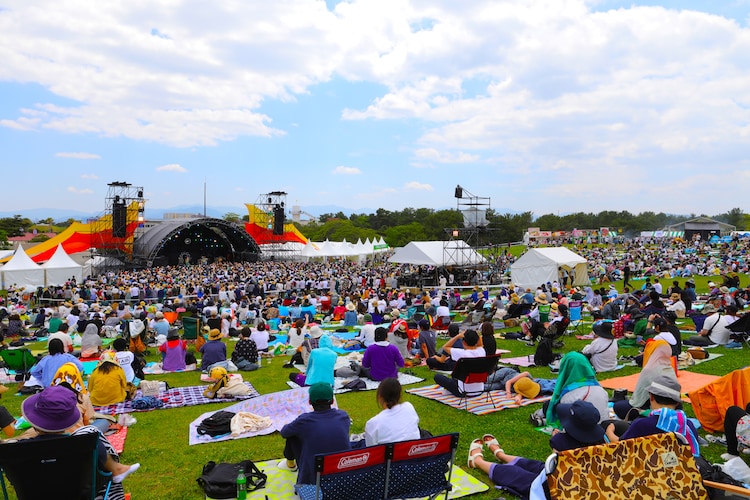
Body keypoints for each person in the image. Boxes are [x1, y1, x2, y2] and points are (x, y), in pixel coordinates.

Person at [468, 400, 606, 499]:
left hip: (560, 490)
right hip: (588, 484)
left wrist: (557, 438)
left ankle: (478, 462)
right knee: (535, 465)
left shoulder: (560, 441)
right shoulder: (603, 443)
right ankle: (502, 456)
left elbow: (555, 473)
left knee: (516, 475)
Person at [21, 385, 140, 498]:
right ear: (68, 420)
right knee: (90, 430)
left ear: (34, 422)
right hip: (80, 494)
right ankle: (117, 469)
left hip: (36, 495)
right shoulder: (84, 444)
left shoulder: (18, 451)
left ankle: (117, 469)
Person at [606, 374, 700, 457]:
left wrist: (609, 431)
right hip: (680, 470)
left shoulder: (642, 425)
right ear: (676, 402)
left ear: (651, 397)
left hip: (647, 470)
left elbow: (621, 444)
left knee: (612, 425)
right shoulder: (688, 426)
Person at [278, 383, 351, 486]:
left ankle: (290, 463)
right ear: (332, 400)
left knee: (293, 436)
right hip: (342, 473)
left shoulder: (304, 421)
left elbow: (284, 433)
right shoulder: (343, 416)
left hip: (313, 479)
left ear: (309, 401)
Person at [613, 340, 678, 420]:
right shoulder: (670, 368)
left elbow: (638, 399)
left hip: (652, 407)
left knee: (619, 406)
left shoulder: (649, 370)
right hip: (672, 408)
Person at [545, 352, 609, 426]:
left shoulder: (569, 395)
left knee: (550, 406)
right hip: (603, 428)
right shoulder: (600, 389)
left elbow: (567, 422)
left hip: (583, 432)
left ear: (565, 368)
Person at [364, 378, 420, 446]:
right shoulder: (409, 407)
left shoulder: (373, 423)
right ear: (399, 395)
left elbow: (370, 448)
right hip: (413, 452)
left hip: (389, 455)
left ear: (380, 397)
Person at [433, 329, 485, 397]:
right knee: (456, 378)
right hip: (479, 389)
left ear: (464, 342)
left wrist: (457, 336)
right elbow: (480, 344)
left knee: (437, 377)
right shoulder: (481, 351)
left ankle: (450, 389)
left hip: (463, 390)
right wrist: (475, 335)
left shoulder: (461, 353)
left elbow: (445, 347)